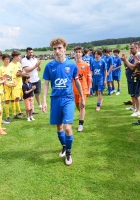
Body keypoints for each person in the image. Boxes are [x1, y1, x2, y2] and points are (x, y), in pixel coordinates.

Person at [42, 37, 85, 166]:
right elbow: (46, 84)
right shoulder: (49, 66)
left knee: (67, 127)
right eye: (55, 49)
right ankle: (64, 146)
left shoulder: (71, 65)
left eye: (60, 48)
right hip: (55, 99)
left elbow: (77, 81)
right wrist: (44, 101)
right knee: (59, 127)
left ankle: (68, 153)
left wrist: (82, 97)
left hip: (68, 99)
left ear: (65, 49)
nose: (57, 51)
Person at [72, 46, 91, 132]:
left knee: (81, 105)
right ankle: (82, 115)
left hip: (83, 88)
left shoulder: (86, 65)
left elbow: (88, 77)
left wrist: (89, 88)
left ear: (82, 53)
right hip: (74, 89)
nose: (78, 53)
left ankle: (80, 125)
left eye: (79, 52)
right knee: (77, 105)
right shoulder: (72, 65)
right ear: (74, 53)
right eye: (76, 52)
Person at [121, 43, 140, 116]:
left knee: (136, 94)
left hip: (135, 78)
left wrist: (125, 60)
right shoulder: (132, 56)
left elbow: (133, 67)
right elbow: (126, 66)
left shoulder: (138, 56)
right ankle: (134, 107)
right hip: (130, 78)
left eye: (132, 48)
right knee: (132, 93)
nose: (130, 50)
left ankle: (138, 110)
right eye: (130, 48)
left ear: (137, 47)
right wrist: (124, 60)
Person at [22, 47, 42, 114]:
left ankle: (40, 105)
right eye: (29, 52)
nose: (31, 54)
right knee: (30, 96)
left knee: (37, 93)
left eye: (32, 52)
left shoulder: (35, 59)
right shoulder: (24, 60)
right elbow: (26, 70)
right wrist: (35, 65)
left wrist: (38, 65)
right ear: (26, 52)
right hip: (29, 80)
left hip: (36, 79)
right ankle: (31, 109)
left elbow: (39, 70)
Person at [0, 54, 17, 122]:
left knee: (13, 100)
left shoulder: (11, 67)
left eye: (8, 59)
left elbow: (14, 77)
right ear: (3, 60)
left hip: (12, 86)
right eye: (6, 59)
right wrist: (6, 83)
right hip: (6, 87)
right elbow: (0, 79)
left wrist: (15, 82)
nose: (7, 61)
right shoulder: (1, 68)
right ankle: (7, 116)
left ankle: (14, 114)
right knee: (7, 101)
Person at [8, 50, 24, 119]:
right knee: (13, 98)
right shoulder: (10, 65)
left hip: (20, 82)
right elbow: (11, 75)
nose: (20, 57)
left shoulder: (19, 64)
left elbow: (20, 72)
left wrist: (21, 73)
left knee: (18, 98)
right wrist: (18, 74)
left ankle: (19, 111)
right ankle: (14, 113)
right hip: (14, 83)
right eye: (19, 56)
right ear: (15, 57)